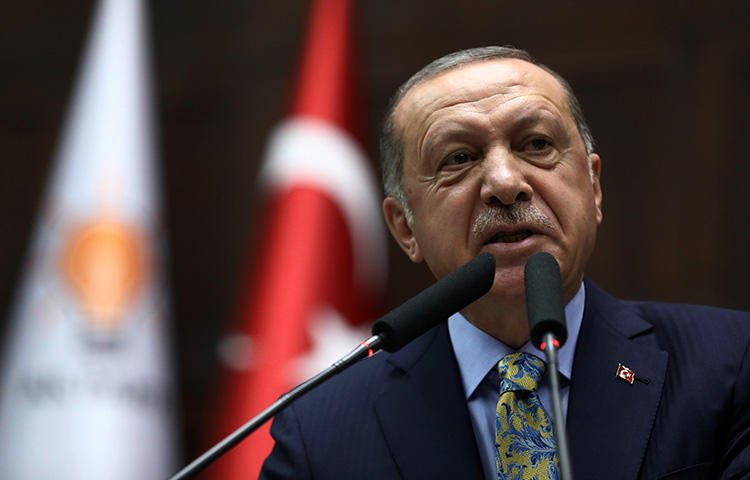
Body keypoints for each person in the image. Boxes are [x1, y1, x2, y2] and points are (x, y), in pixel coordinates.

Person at [259, 46, 750, 479]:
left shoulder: (728, 366)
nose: (504, 182)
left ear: (593, 187)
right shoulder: (319, 432)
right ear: (405, 228)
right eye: (458, 158)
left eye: (536, 144)